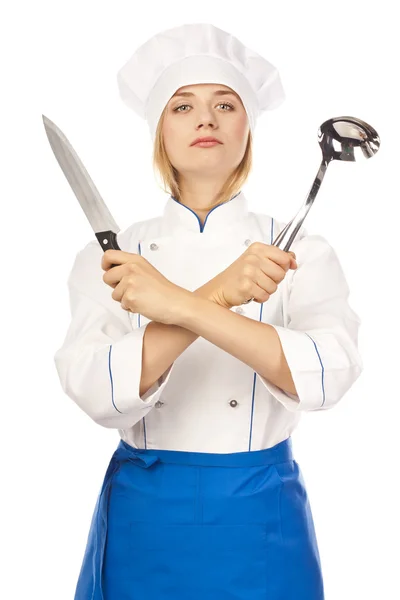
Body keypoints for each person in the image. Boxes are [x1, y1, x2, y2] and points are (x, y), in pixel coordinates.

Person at [54, 22, 363, 600]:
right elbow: (94, 389)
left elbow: (328, 373)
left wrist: (176, 304)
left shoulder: (299, 251)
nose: (207, 119)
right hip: (144, 517)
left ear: (248, 127)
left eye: (226, 103)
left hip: (261, 512)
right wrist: (218, 294)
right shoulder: (116, 256)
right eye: (183, 106)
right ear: (159, 133)